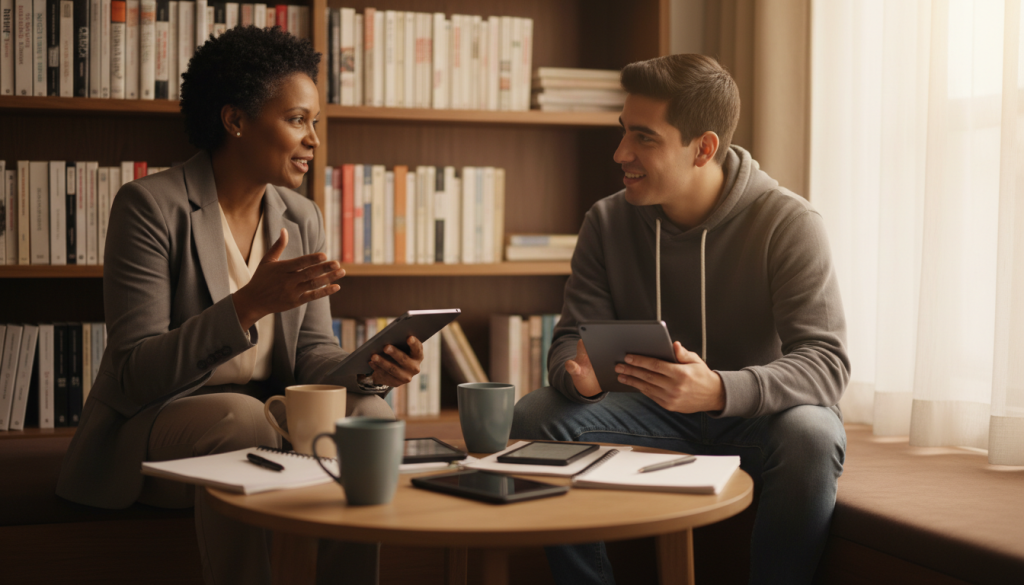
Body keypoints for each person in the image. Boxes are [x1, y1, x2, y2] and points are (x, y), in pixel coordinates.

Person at [56, 26, 422, 585]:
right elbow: (133, 373)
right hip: (161, 426)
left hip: (270, 417)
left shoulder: (302, 216)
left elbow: (313, 353)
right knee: (240, 416)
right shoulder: (149, 207)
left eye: (315, 123)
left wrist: (370, 370)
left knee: (367, 415)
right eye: (297, 120)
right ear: (236, 120)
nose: (313, 140)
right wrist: (247, 306)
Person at [510, 54, 849, 585]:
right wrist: (580, 381)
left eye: (644, 138)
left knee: (812, 431)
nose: (621, 153)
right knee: (537, 416)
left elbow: (827, 364)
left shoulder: (789, 222)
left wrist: (718, 390)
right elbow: (569, 342)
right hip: (649, 417)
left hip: (756, 420)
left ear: (703, 148)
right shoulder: (606, 221)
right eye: (624, 132)